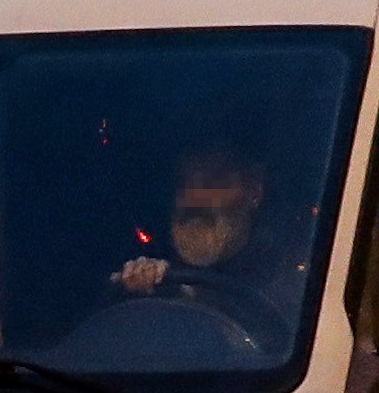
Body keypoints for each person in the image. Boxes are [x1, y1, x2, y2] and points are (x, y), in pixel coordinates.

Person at [111, 146, 292, 345]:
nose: (194, 198)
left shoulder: (293, 282)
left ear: (253, 192)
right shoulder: (157, 270)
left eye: (212, 183)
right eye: (184, 184)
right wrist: (139, 289)